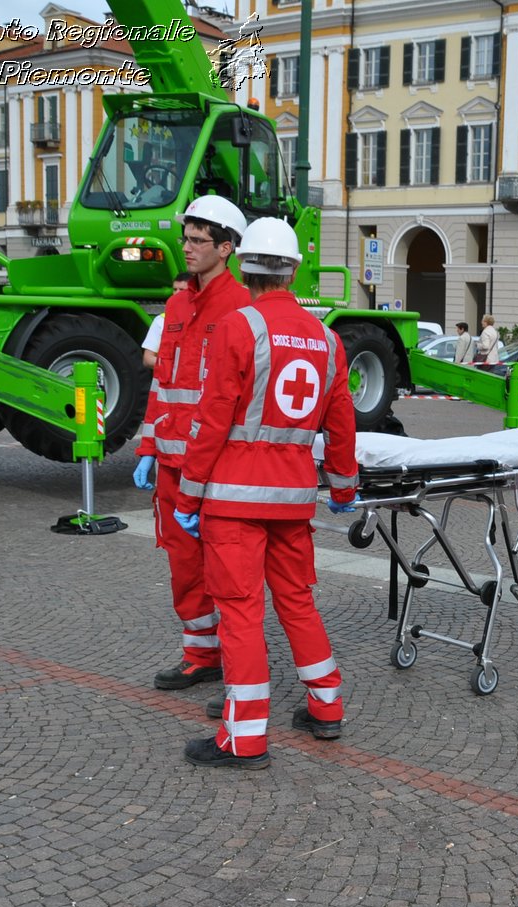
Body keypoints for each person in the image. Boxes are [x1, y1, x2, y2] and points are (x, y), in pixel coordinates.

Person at [174, 217, 359, 768]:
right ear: (295, 268)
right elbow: (341, 423)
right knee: (297, 600)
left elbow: (211, 423)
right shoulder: (328, 338)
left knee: (239, 611)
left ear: (244, 265)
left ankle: (246, 736)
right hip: (294, 498)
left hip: (234, 500)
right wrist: (344, 488)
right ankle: (327, 705)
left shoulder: (237, 327)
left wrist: (187, 500)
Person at [131, 196, 251, 692]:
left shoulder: (242, 307)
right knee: (184, 566)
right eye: (187, 237)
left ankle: (236, 660)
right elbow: (163, 383)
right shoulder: (177, 305)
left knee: (224, 569)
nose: (187, 247)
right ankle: (201, 655)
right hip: (171, 462)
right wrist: (146, 449)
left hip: (214, 464)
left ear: (226, 248)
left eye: (198, 240)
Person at [139, 273, 193, 369]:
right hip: (166, 380)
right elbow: (147, 359)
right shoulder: (161, 320)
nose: (176, 293)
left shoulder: (203, 319)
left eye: (182, 290)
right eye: (175, 289)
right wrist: (174, 366)